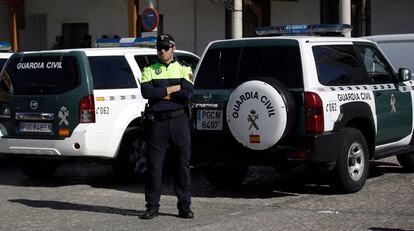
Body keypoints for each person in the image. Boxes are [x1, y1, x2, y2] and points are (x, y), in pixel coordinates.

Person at [140, 34, 194, 219]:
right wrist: (172, 89)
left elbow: (187, 94)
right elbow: (147, 92)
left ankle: (184, 207)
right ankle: (152, 206)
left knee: (182, 164)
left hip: (179, 120)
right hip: (157, 122)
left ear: (173, 47)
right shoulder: (149, 68)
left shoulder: (184, 68)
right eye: (159, 48)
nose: (162, 51)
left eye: (165, 47)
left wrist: (160, 93)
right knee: (154, 165)